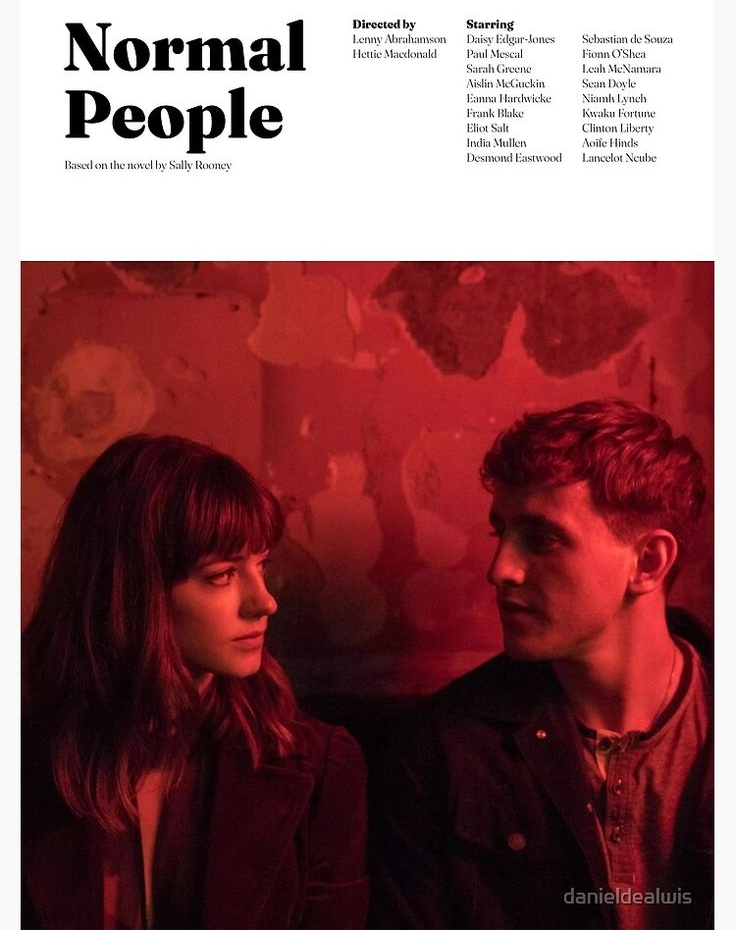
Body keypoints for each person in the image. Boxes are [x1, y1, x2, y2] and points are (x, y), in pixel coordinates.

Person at [372, 398, 712, 929]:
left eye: (542, 539)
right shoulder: (441, 750)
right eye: (500, 533)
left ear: (647, 562)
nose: (499, 569)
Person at [22, 434, 368, 930]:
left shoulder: (320, 766)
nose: (264, 601)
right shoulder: (27, 753)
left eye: (261, 564)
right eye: (222, 575)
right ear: (134, 591)